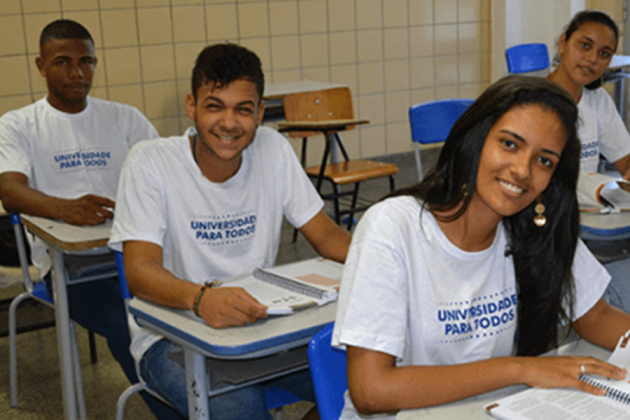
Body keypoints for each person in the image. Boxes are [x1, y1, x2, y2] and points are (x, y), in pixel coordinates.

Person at [331, 76, 630, 419]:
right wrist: (520, 369)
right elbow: (372, 390)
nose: (522, 170)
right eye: (509, 144)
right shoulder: (392, 226)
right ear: (476, 138)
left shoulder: (535, 226)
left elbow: (597, 316)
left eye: (544, 161)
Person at [108, 42, 352, 420]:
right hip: (171, 337)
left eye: (243, 109)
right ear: (192, 106)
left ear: (259, 112)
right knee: (240, 412)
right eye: (214, 106)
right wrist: (201, 299)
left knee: (366, 383)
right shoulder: (150, 162)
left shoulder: (273, 149)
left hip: (263, 328)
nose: (229, 122)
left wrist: (397, 263)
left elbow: (327, 236)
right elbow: (139, 273)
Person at [0, 19, 179, 420]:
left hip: (135, 253)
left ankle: (212, 398)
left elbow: (168, 170)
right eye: (63, 62)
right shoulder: (18, 124)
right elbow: (9, 191)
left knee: (185, 313)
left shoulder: (124, 118)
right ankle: (181, 412)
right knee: (125, 324)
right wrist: (66, 209)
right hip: (71, 267)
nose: (77, 72)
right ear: (40, 65)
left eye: (86, 61)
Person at [546, 9, 630, 177]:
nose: (592, 59)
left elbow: (625, 161)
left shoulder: (598, 100)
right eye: (585, 45)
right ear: (563, 43)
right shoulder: (532, 100)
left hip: (588, 202)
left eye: (604, 54)